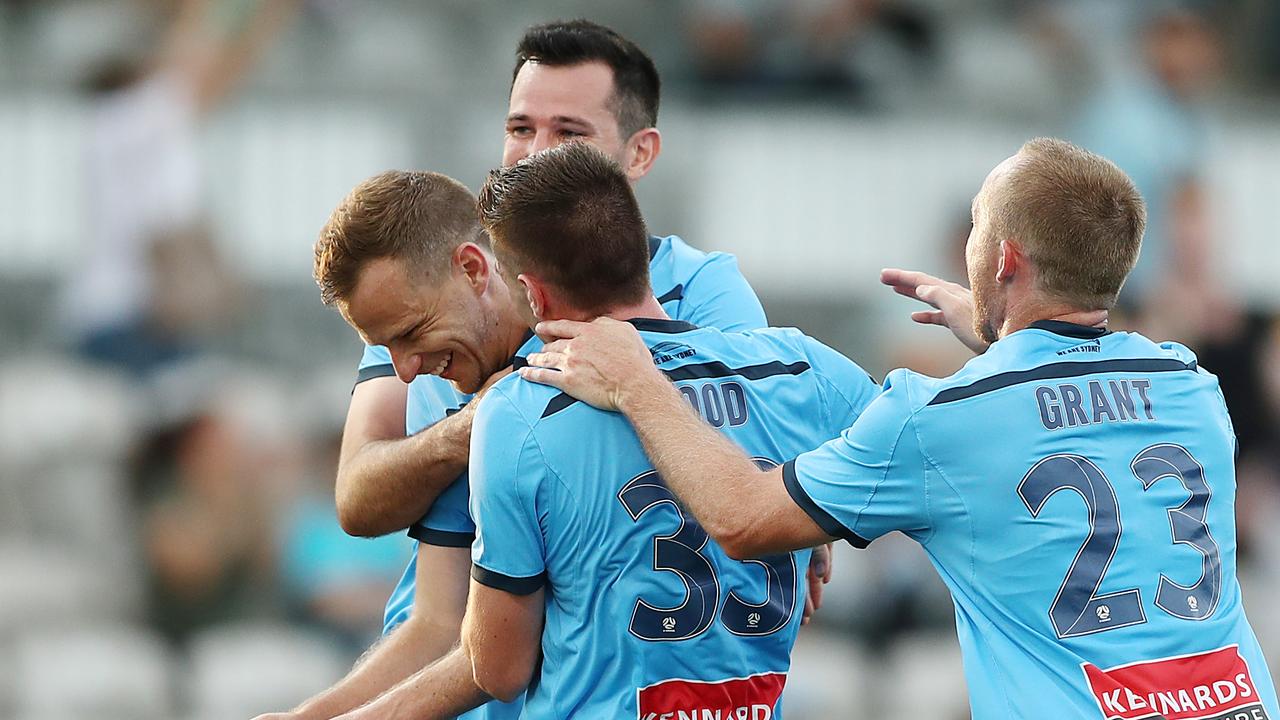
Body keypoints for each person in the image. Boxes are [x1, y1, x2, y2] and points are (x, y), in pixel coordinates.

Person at [523, 138, 1280, 719]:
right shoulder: (1191, 383)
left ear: (1005, 258)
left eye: (980, 223)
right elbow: (1079, 400)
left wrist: (638, 382)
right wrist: (1005, 338)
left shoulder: (935, 418)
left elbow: (743, 520)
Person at [262, 18, 828, 720]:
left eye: (568, 132)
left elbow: (757, 441)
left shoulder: (703, 289)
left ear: (640, 152)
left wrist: (806, 514)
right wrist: (465, 431)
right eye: (521, 128)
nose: (535, 154)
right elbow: (368, 510)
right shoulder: (440, 319)